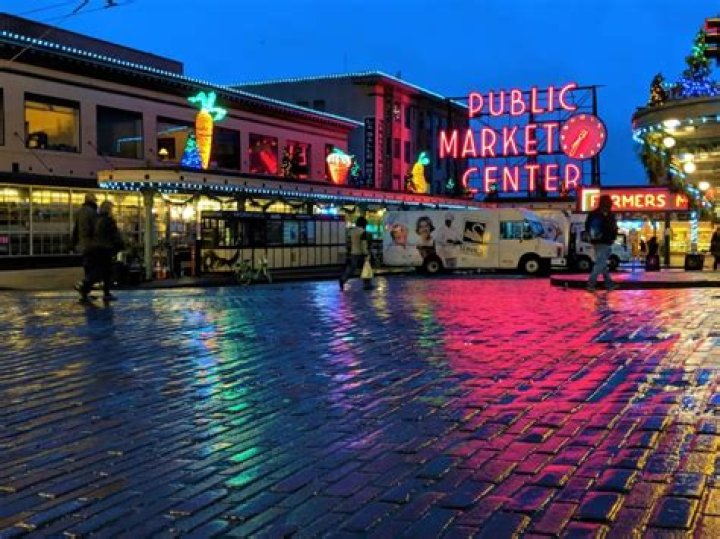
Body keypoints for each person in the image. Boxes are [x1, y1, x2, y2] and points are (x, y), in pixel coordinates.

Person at [585, 194, 618, 292]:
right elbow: (612, 228)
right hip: (605, 241)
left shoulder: (593, 213)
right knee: (600, 264)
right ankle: (591, 284)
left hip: (595, 241)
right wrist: (613, 237)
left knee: (602, 263)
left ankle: (609, 284)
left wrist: (591, 236)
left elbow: (587, 226)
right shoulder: (608, 214)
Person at [94, 201, 125, 301]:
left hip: (98, 247)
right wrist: (120, 244)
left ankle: (88, 286)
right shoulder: (108, 220)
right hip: (106, 248)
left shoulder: (97, 219)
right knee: (106, 271)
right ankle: (105, 292)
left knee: (101, 269)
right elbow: (114, 234)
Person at [72, 193, 98, 302]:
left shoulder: (79, 212)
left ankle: (85, 292)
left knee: (87, 266)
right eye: (95, 200)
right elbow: (95, 228)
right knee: (95, 268)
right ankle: (84, 286)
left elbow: (76, 229)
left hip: (82, 244)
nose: (96, 202)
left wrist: (74, 243)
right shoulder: (92, 212)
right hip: (91, 244)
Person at [339, 216, 369, 290]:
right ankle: (366, 285)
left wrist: (348, 251)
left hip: (353, 253)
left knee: (351, 269)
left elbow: (348, 242)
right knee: (365, 269)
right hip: (360, 254)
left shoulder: (351, 231)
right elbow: (363, 244)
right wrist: (366, 253)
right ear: (364, 224)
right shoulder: (363, 232)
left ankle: (343, 279)